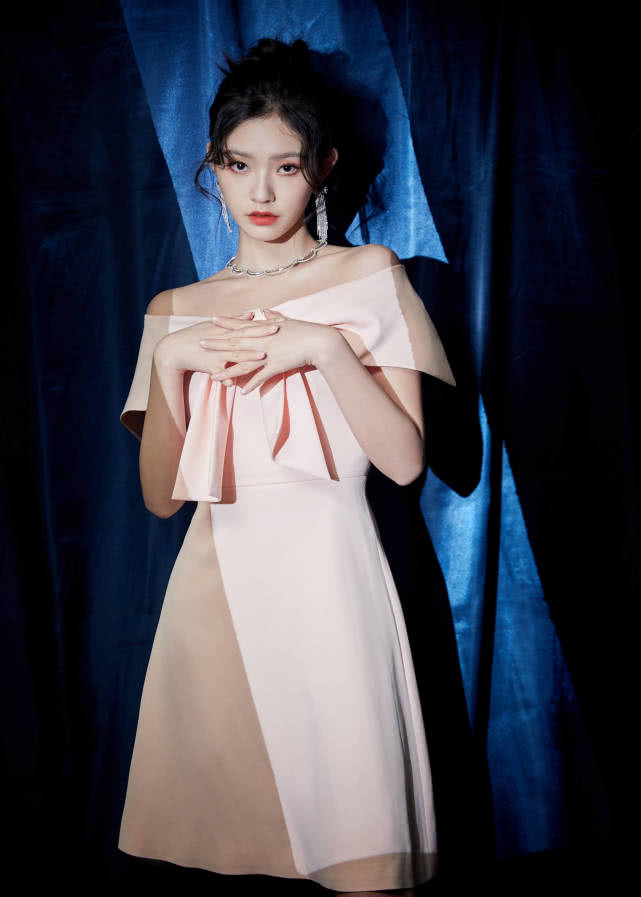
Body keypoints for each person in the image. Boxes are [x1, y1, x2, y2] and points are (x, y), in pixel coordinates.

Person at [118, 37, 456, 897]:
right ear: (213, 166)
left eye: (286, 167)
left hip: (332, 584)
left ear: (324, 167)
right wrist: (171, 361)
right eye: (238, 165)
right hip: (213, 596)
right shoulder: (175, 310)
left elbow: (404, 463)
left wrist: (323, 349)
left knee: (360, 855)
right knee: (220, 850)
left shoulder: (367, 274)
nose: (260, 193)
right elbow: (160, 499)